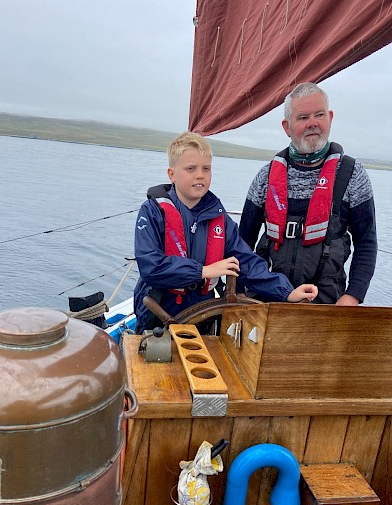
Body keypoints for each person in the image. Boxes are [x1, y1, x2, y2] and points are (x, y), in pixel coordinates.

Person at [133, 131, 317, 333]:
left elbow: (247, 263)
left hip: (202, 317)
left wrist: (287, 292)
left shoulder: (220, 219)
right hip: (157, 318)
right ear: (172, 174)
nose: (200, 175)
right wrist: (203, 271)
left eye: (206, 168)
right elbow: (151, 266)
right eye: (190, 168)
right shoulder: (152, 212)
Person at [239, 82, 377, 306]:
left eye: (319, 115)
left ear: (330, 118)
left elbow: (367, 241)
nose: (313, 123)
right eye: (303, 118)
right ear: (287, 126)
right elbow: (243, 240)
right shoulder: (265, 177)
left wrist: (353, 295)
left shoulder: (353, 175)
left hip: (327, 306)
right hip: (266, 301)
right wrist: (239, 291)